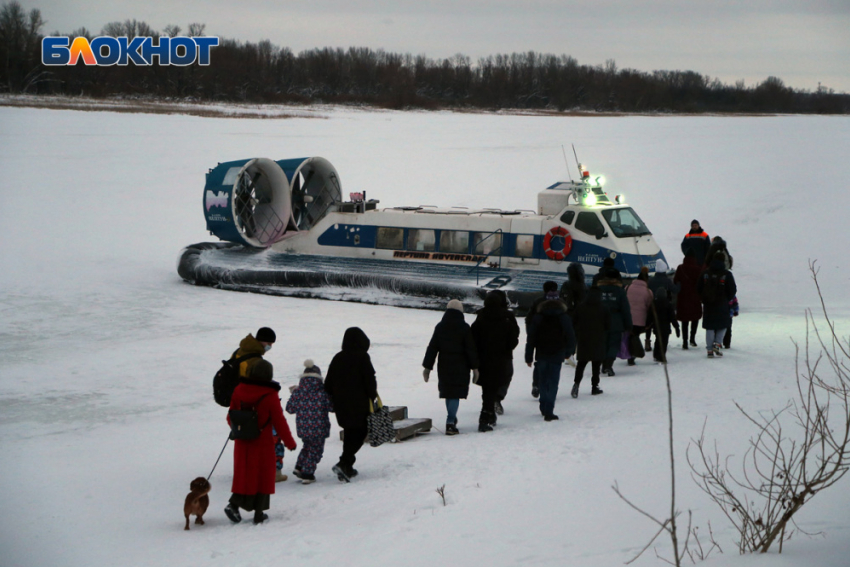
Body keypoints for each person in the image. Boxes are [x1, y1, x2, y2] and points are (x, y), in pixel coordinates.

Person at [224, 359, 296, 525]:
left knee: (244, 474)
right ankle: (258, 513)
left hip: (242, 441)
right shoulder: (270, 394)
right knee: (263, 475)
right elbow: (279, 421)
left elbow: (230, 416)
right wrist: (290, 442)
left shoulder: (239, 390)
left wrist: (241, 430)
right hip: (262, 441)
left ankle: (234, 504)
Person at [324, 327, 378, 481]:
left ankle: (346, 466)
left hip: (341, 404)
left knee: (349, 432)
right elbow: (370, 379)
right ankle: (344, 463)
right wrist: (372, 395)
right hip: (359, 403)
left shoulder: (338, 357)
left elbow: (328, 383)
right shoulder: (363, 357)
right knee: (361, 432)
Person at [423, 300, 480, 434]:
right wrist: (475, 368)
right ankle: (450, 421)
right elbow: (470, 349)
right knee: (455, 393)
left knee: (449, 392)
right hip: (461, 365)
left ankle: (451, 419)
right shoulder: (465, 327)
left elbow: (432, 347)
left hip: (444, 364)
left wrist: (427, 367)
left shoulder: (440, 326)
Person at [471, 290, 519, 430]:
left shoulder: (480, 317)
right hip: (501, 359)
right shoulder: (506, 318)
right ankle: (485, 417)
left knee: (487, 388)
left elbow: (472, 338)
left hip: (483, 359)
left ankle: (488, 414)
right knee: (495, 386)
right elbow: (513, 340)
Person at [524, 295, 576, 421]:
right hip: (557, 353)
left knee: (542, 381)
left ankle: (543, 405)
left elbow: (531, 338)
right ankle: (549, 410)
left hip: (541, 353)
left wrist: (529, 356)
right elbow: (571, 336)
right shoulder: (564, 317)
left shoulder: (538, 317)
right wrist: (569, 352)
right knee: (553, 382)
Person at [285, 360, 333, 485]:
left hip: (303, 428)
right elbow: (332, 407)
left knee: (307, 447)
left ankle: (299, 467)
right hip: (319, 428)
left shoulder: (298, 392)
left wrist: (294, 394)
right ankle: (307, 473)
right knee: (315, 451)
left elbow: (290, 409)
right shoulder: (323, 392)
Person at [571, 287, 610, 398]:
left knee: (581, 364)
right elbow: (608, 325)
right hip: (598, 338)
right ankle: (594, 386)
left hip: (584, 339)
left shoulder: (581, 307)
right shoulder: (604, 308)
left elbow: (574, 322)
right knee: (596, 365)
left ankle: (576, 384)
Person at [697, 252, 737, 358]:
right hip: (722, 304)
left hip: (708, 304)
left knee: (710, 326)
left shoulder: (705, 273)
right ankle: (717, 344)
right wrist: (726, 299)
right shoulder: (727, 274)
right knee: (723, 325)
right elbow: (733, 290)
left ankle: (709, 350)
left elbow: (698, 287)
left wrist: (703, 298)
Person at [525, 281, 559, 399]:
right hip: (556, 339)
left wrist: (530, 334)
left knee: (539, 363)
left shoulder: (538, 302)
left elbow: (529, 319)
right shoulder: (561, 303)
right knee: (554, 364)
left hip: (539, 338)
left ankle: (536, 384)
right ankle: (548, 386)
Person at [596, 267, 632, 376]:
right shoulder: (620, 291)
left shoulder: (597, 289)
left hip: (600, 320)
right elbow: (625, 309)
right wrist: (628, 325)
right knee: (614, 343)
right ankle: (608, 365)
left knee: (602, 343)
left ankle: (603, 363)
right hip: (616, 320)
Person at [648, 259, 679, 350]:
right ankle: (661, 345)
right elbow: (675, 290)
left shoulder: (651, 280)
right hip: (665, 306)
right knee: (663, 326)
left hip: (653, 305)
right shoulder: (667, 280)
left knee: (650, 323)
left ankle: (647, 340)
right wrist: (679, 284)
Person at [674, 249, 703, 349]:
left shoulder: (680, 268)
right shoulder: (698, 269)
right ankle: (692, 339)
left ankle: (685, 342)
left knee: (684, 321)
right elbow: (701, 284)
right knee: (695, 319)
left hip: (683, 298)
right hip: (695, 298)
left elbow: (675, 281)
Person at [625, 267, 653, 366]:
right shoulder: (648, 292)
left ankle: (629, 355)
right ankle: (632, 355)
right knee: (635, 336)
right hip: (640, 320)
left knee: (630, 336)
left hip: (628, 318)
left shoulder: (627, 287)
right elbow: (650, 307)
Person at [651, 287, 680, 362]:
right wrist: (676, 327)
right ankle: (662, 356)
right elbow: (672, 317)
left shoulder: (654, 303)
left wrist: (647, 325)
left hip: (656, 326)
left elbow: (649, 315)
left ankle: (656, 354)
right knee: (664, 342)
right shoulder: (668, 304)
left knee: (658, 340)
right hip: (665, 326)